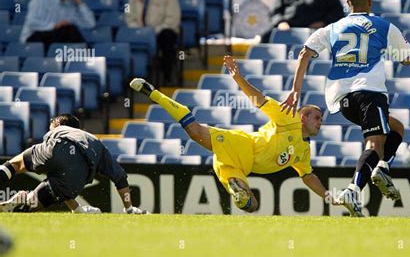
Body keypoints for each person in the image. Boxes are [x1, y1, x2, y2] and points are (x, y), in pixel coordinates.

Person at [129, 55, 339, 213]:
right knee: (195, 132)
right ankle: (155, 94)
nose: (320, 122)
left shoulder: (303, 151)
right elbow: (259, 99)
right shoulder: (289, 117)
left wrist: (330, 197)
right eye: (317, 117)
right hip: (242, 145)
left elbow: (308, 177)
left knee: (251, 205)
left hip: (241, 166)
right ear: (303, 117)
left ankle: (237, 188)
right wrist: (238, 77)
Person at [281, 0, 410, 217]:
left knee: (395, 128)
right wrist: (394, 52)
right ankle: (353, 190)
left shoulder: (333, 28)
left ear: (348, 3)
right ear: (370, 2)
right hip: (369, 92)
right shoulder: (384, 26)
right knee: (374, 144)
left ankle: (381, 168)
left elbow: (304, 54)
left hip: (341, 99)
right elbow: (406, 60)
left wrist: (295, 91)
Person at [0, 114, 147, 214]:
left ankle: (22, 199)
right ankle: (24, 201)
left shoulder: (60, 130)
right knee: (38, 201)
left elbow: (56, 160)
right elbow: (120, 177)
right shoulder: (95, 142)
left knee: (14, 165)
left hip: (57, 149)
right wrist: (129, 208)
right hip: (78, 175)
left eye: (52, 121)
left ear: (58, 123)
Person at [125, 0, 181, 86]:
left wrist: (153, 32)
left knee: (168, 37)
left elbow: (172, 19)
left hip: (160, 31)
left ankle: (167, 76)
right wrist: (138, 30)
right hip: (139, 31)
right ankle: (131, 78)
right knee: (124, 38)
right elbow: (129, 15)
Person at [20, 0, 95, 48]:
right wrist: (54, 26)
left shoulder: (70, 6)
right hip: (34, 38)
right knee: (69, 30)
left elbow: (90, 23)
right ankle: (86, 53)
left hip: (56, 40)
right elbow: (32, 22)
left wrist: (78, 1)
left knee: (70, 30)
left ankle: (85, 55)